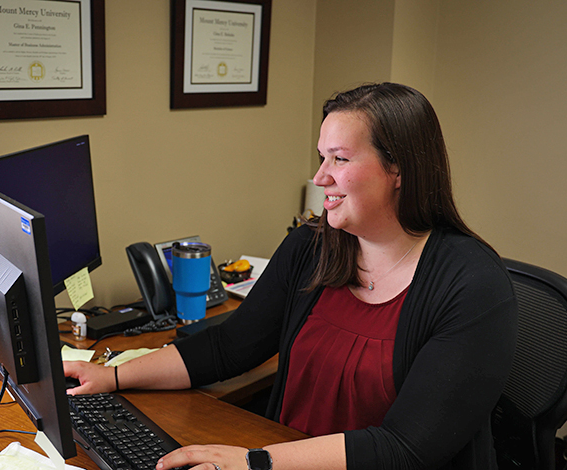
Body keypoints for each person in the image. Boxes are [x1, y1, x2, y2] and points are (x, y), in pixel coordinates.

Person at [63, 82, 518, 470]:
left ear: (397, 168)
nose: (320, 177)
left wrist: (253, 461)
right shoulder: (313, 245)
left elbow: (406, 448)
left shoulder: (472, 284)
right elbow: (229, 347)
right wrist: (112, 377)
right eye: (321, 157)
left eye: (339, 159)